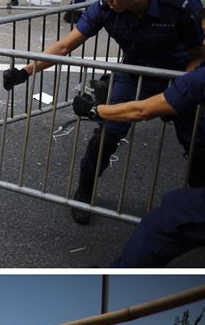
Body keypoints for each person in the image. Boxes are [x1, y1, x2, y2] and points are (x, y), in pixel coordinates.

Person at [2, 0, 205, 224]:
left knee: (197, 141)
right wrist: (25, 71)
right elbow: (65, 45)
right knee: (108, 131)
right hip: (133, 74)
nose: (107, 0)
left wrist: (185, 85)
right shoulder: (104, 8)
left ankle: (197, 205)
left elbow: (198, 54)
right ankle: (85, 190)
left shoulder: (180, 8)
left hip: (178, 76)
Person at [73, 63, 205, 266]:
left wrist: (94, 109)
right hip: (136, 76)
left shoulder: (197, 79)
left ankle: (116, 278)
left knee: (168, 218)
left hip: (171, 86)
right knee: (106, 138)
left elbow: (142, 111)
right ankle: (85, 187)